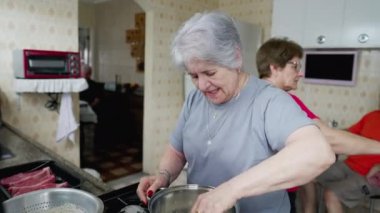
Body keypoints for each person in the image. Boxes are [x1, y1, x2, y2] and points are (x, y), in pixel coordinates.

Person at [136, 11, 335, 212]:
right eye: (194, 76)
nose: (202, 85)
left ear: (236, 58)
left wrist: (231, 190)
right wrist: (164, 175)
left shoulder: (270, 101)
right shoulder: (194, 99)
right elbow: (177, 150)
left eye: (210, 72)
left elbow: (318, 153)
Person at [256, 37, 380, 212]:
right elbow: (327, 137)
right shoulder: (283, 100)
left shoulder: (251, 93)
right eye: (295, 66)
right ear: (274, 67)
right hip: (272, 192)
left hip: (255, 186)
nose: (300, 73)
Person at [317, 110, 380, 212]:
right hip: (349, 165)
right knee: (308, 175)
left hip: (373, 176)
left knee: (331, 195)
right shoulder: (373, 115)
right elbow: (350, 133)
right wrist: (330, 133)